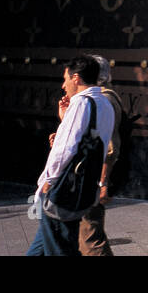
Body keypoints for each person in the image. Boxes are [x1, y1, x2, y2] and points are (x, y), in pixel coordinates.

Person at [26, 56, 115, 256]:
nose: (63, 84)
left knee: (59, 248)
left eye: (65, 78)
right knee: (44, 246)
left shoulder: (81, 103)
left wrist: (49, 181)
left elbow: (66, 148)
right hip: (82, 189)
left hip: (62, 189)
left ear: (76, 78)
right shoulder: (104, 103)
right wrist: (65, 118)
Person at [78, 55, 123, 256]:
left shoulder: (103, 100)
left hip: (92, 177)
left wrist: (102, 183)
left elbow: (110, 147)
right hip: (88, 177)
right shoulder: (101, 98)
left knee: (91, 238)